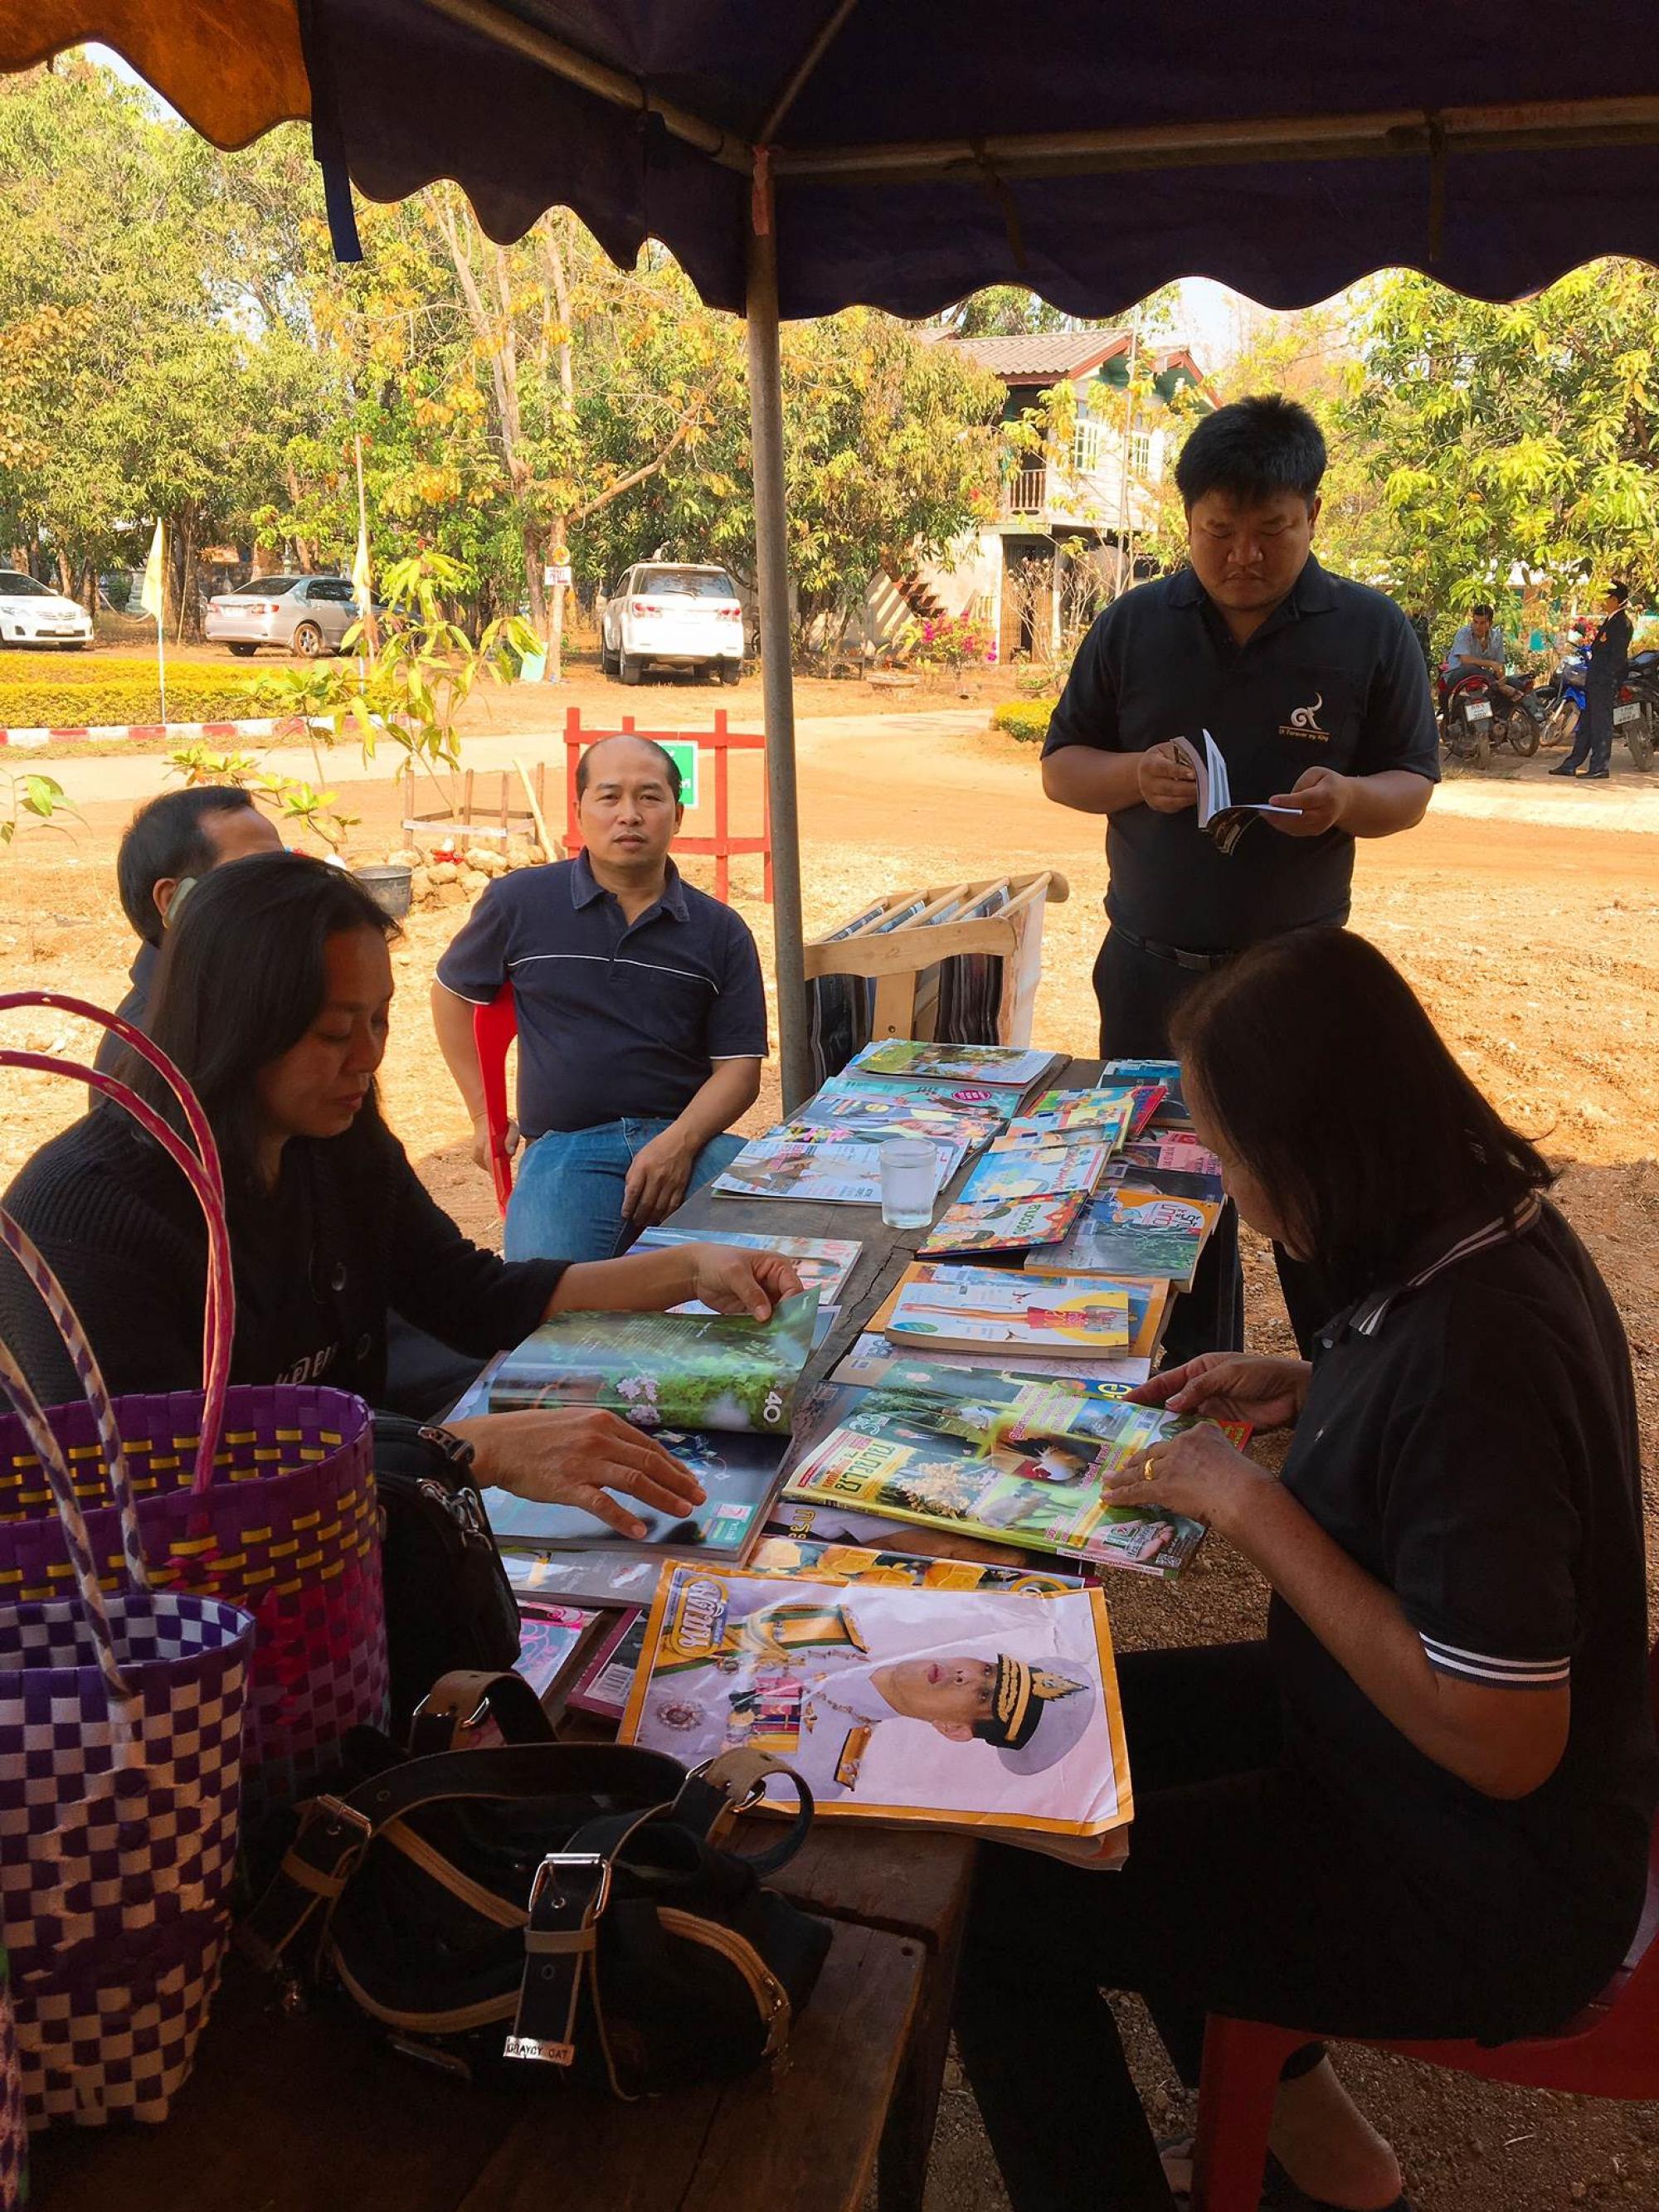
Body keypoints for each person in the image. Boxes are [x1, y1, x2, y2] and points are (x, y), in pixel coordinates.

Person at [952, 927, 1657, 2212]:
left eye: (1229, 1152)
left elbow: (1504, 1741)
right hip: (1379, 1759)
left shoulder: (1477, 1357)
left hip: (1476, 1876)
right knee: (1072, 1726)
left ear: (1316, 1144)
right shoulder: (1472, 1228)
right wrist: (1316, 1387)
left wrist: (1248, 1504)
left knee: (991, 1897)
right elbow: (1450, 1466)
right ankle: (1323, 2160)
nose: (1225, 1183)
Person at [0, 853, 801, 1530]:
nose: (368, 1058)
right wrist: (468, 1452)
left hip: (340, 1542)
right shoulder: (90, 1218)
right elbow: (167, 1499)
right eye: (334, 1032)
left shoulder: (334, 1143)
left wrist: (686, 1270)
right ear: (238, 1024)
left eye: (380, 1021)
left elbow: (471, 1295)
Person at [1039, 395, 1439, 1357]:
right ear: (1188, 521)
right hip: (1151, 976)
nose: (1243, 555)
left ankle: (1335, 1391)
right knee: (1159, 1208)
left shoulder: (1368, 630)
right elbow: (1061, 769)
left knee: (1317, 1205)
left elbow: (1411, 786)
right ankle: (1178, 1387)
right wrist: (1134, 776)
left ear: (1312, 514)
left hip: (1297, 984)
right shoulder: (1134, 625)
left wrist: (1347, 798)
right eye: (1219, 531)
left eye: (1271, 530)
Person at [432, 733, 765, 1264]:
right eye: (609, 797)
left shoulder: (720, 930)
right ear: (580, 812)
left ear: (678, 815)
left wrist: (678, 1144)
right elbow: (452, 997)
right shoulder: (520, 902)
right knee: (547, 1294)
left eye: (649, 797)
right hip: (565, 1150)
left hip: (690, 1142)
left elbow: (739, 1070)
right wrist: (481, 1115)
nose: (629, 814)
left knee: (798, 1248)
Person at [96, 785, 284, 1079]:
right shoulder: (150, 1057)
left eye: (285, 867)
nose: (288, 888)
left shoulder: (250, 993)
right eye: (255, 873)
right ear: (176, 902)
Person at [1551, 581, 1632, 780]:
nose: (1602, 601)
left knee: (1601, 725)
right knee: (1587, 724)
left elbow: (1618, 658)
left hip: (1605, 682)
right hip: (1595, 681)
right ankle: (1572, 764)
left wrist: (1608, 679)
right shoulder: (1611, 620)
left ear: (1615, 599)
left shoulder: (1622, 623)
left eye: (1605, 597)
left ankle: (1599, 767)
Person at [1441, 602, 1520, 707]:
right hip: (1458, 676)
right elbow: (1465, 660)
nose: (1478, 626)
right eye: (1475, 622)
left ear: (1490, 623)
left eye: (1482, 623)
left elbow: (1499, 664)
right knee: (1471, 668)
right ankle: (1498, 686)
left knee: (1517, 683)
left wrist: (1502, 677)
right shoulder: (1463, 633)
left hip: (1484, 679)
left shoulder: (1497, 637)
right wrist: (1491, 664)